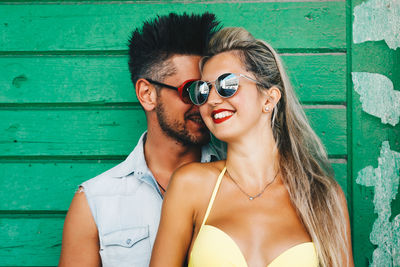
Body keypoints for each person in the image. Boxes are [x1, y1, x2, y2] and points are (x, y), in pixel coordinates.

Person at [150, 27, 354, 267]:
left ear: (269, 99)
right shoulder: (191, 185)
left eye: (227, 84)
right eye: (204, 91)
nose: (213, 100)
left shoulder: (322, 194)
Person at [58, 13, 222, 267]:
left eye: (205, 90)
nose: (204, 103)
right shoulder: (96, 200)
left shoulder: (237, 181)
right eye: (190, 90)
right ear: (147, 94)